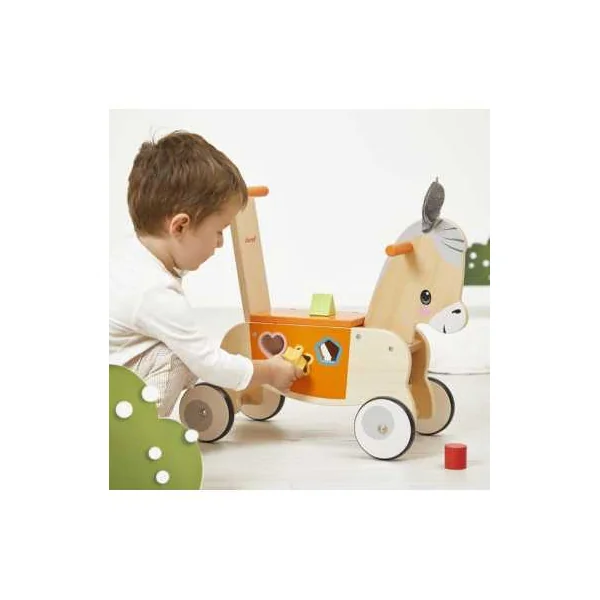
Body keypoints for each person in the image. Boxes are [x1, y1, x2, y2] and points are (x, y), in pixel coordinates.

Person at [109, 130, 303, 417]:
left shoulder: (133, 255)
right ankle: (137, 428)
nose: (220, 243)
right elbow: (207, 363)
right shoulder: (154, 291)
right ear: (180, 226)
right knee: (181, 358)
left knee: (185, 350)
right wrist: (269, 372)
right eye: (218, 231)